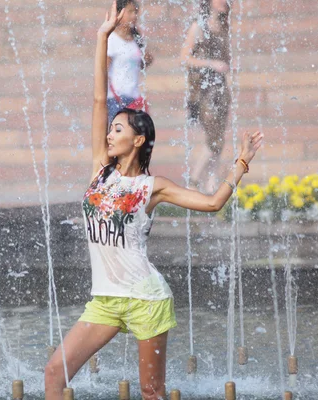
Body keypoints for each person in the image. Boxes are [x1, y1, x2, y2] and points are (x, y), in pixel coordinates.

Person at [44, 2, 263, 399]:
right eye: (109, 130)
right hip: (106, 301)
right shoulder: (99, 169)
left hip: (147, 299)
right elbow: (98, 99)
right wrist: (102, 36)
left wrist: (241, 163)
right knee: (54, 375)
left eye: (118, 129)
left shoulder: (152, 187)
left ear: (139, 139)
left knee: (151, 393)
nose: (109, 135)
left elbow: (213, 202)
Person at [180, 0, 231, 193]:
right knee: (213, 139)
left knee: (220, 137)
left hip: (221, 90)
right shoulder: (198, 26)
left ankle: (211, 184)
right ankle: (193, 182)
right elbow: (184, 58)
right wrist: (211, 63)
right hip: (203, 91)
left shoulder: (224, 26)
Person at [106, 0, 153, 124]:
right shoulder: (112, 39)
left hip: (134, 96)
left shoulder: (135, 38)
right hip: (116, 98)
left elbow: (145, 61)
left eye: (136, 12)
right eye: (130, 12)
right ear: (119, 13)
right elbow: (103, 71)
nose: (134, 16)